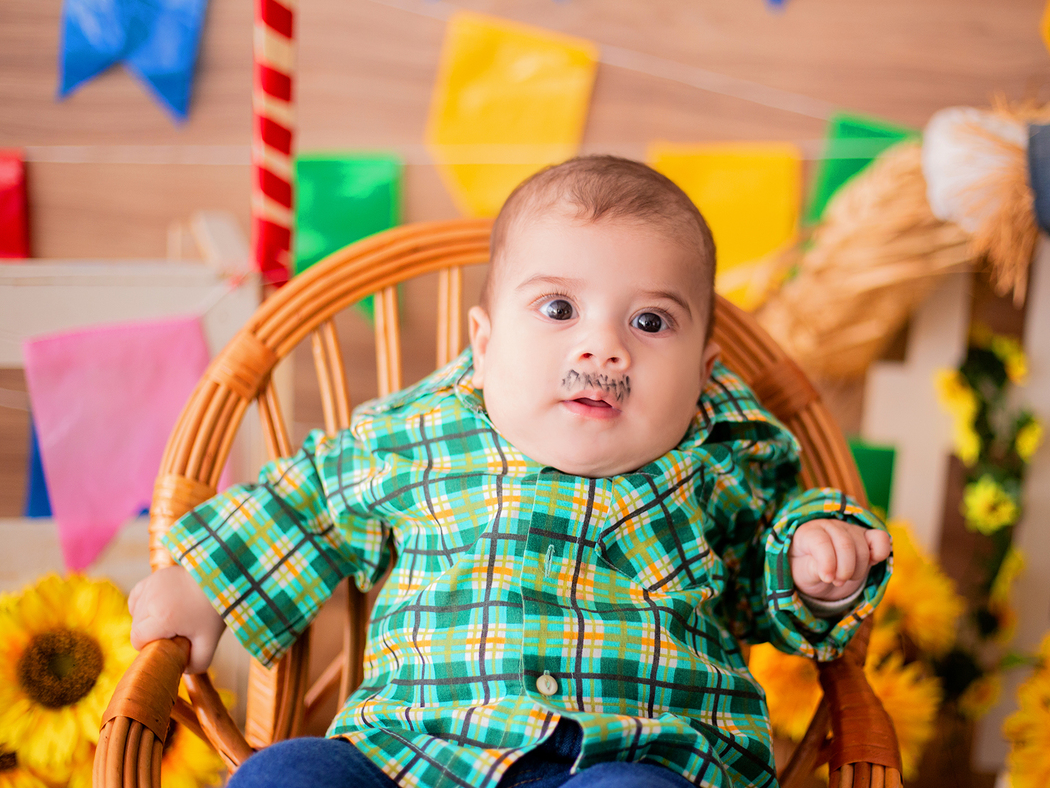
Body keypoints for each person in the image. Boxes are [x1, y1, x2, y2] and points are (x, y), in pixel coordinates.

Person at [127, 155, 893, 788]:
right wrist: (208, 582)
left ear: (704, 371)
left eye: (650, 322)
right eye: (559, 310)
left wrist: (817, 563)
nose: (602, 349)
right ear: (483, 344)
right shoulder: (419, 434)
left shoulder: (722, 457)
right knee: (286, 776)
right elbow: (310, 501)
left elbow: (775, 568)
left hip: (638, 758)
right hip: (412, 759)